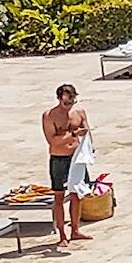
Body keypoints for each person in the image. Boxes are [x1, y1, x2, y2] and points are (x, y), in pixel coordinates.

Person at [41, 83, 91, 245]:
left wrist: (90, 151)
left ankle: (75, 230)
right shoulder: (49, 116)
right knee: (59, 196)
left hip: (76, 159)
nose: (68, 106)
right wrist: (73, 134)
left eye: (72, 101)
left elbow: (87, 133)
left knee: (77, 195)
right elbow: (53, 141)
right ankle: (62, 234)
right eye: (65, 102)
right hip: (59, 158)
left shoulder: (80, 112)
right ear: (58, 99)